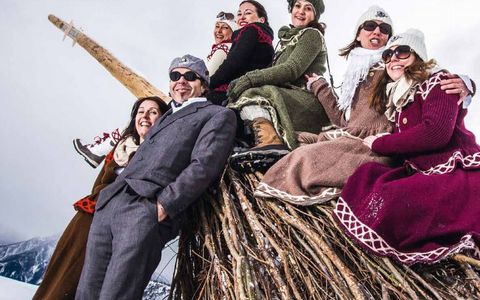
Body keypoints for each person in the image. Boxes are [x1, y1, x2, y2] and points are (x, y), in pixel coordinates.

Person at [255, 6, 474, 205]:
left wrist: (466, 82)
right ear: (358, 34)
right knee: (294, 137)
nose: (377, 32)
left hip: (374, 142)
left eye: (384, 29)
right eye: (370, 26)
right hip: (350, 133)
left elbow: (425, 72)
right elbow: (345, 120)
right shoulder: (358, 74)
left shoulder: (391, 71)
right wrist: (320, 87)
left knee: (304, 159)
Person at [75, 54, 236, 299]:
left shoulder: (216, 115)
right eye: (175, 75)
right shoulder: (165, 116)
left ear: (203, 84)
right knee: (87, 290)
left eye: (190, 76)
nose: (181, 80)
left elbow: (203, 165)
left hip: (146, 208)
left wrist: (163, 206)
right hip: (112, 203)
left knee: (118, 292)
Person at [334, 29, 480, 265]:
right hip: (425, 172)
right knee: (368, 175)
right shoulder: (399, 99)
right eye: (388, 55)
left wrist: (381, 143)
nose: (393, 58)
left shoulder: (438, 82)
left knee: (394, 199)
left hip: (457, 173)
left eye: (402, 52)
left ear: (418, 57)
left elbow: (435, 133)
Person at [33, 96, 169, 300]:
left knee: (105, 284)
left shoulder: (163, 152)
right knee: (65, 275)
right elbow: (99, 184)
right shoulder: (120, 149)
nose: (145, 116)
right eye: (141, 111)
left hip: (126, 225)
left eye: (153, 112)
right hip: (90, 217)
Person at [227, 0, 329, 161]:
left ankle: (270, 141)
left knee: (253, 92)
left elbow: (291, 69)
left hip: (306, 99)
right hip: (289, 95)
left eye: (308, 8)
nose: (301, 11)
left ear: (314, 16)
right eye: (297, 6)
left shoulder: (312, 35)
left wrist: (250, 78)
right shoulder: (284, 43)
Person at [208, 0, 275, 105]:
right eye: (239, 14)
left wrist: (208, 84)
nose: (242, 17)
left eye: (248, 13)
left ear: (261, 20)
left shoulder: (251, 29)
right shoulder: (266, 40)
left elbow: (234, 62)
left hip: (234, 91)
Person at [206, 11, 237, 76]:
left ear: (233, 31)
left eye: (224, 27)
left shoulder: (223, 48)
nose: (219, 31)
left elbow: (207, 77)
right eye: (217, 26)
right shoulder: (235, 47)